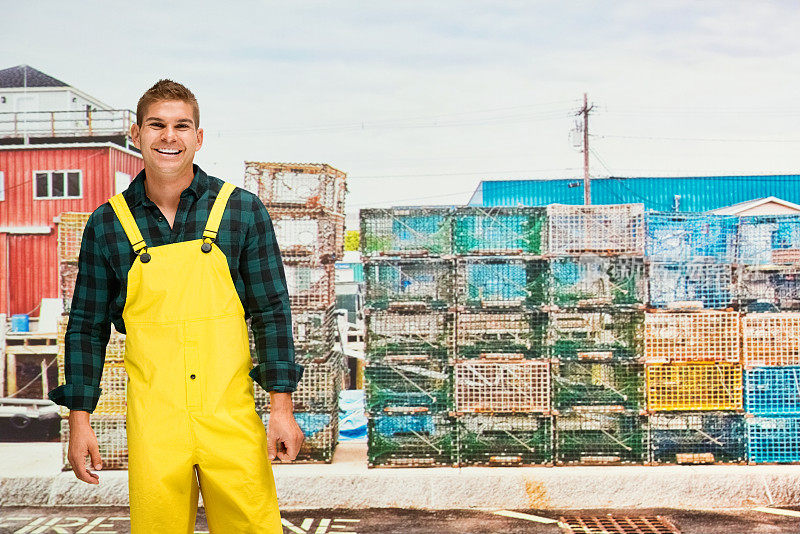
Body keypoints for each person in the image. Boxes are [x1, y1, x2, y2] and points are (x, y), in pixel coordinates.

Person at [48, 79, 305, 533]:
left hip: (231, 419)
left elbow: (271, 312)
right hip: (155, 423)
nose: (170, 136)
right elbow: (86, 328)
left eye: (182, 125)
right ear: (136, 134)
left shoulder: (242, 211)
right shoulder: (107, 225)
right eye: (157, 125)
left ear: (198, 137)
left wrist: (281, 408)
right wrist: (79, 420)